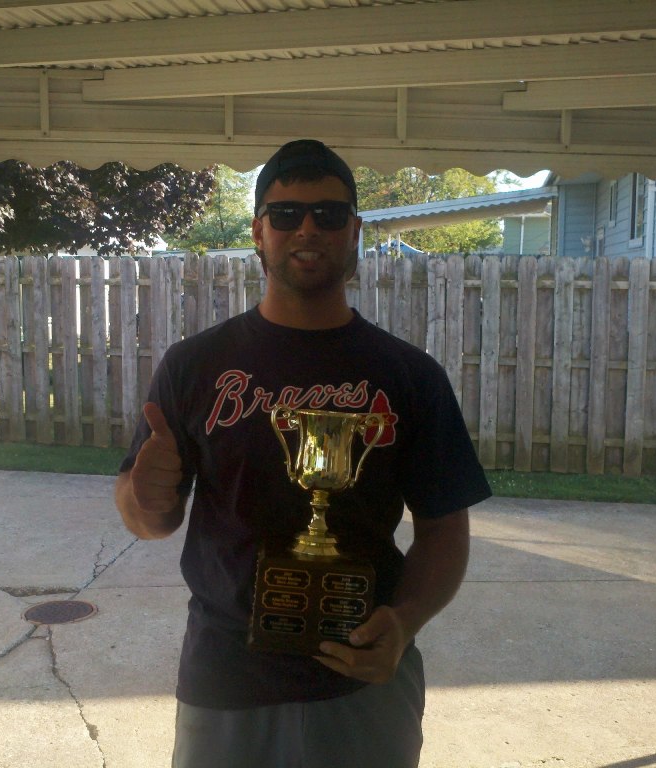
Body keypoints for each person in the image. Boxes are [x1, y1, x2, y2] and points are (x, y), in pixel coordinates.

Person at [114, 139, 492, 767]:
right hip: (226, 678)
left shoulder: (410, 375)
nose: (308, 229)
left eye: (330, 214)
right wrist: (141, 496)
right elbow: (150, 520)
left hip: (363, 680)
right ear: (258, 232)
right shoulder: (194, 365)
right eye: (286, 214)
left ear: (355, 231)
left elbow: (445, 530)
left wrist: (405, 622)